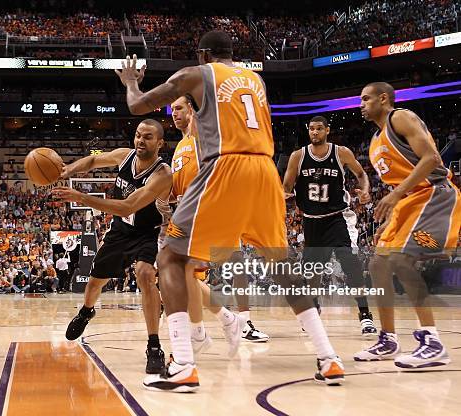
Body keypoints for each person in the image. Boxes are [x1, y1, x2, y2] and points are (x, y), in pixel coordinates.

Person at [116, 30, 344, 392]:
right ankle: (328, 357)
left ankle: (185, 363)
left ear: (203, 53)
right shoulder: (255, 79)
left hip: (226, 167)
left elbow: (138, 105)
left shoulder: (196, 74)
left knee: (170, 260)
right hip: (265, 171)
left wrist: (130, 82)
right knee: (281, 265)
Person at [53, 119, 172, 375]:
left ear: (160, 143)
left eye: (148, 137)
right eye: (139, 135)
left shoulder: (163, 174)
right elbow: (94, 160)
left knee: (145, 275)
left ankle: (154, 346)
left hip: (149, 232)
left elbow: (129, 205)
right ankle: (86, 312)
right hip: (121, 230)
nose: (140, 140)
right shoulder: (124, 156)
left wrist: (82, 197)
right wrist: (69, 169)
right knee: (95, 282)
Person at [354, 82, 461, 368]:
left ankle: (432, 341)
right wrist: (392, 218)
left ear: (383, 98)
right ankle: (387, 339)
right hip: (408, 204)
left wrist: (396, 195)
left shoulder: (399, 117)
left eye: (366, 99)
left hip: (434, 194)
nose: (361, 104)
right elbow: (398, 183)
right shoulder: (376, 141)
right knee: (378, 264)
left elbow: (431, 159)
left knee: (402, 260)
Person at [169, 95, 268, 359]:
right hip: (186, 214)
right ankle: (218, 324)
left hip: (210, 210)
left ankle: (226, 324)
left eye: (178, 108)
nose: (173, 113)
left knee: (222, 266)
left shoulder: (204, 136)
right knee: (185, 276)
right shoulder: (181, 146)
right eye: (171, 109)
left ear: (191, 109)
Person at [282, 115, 378, 337]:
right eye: (311, 129)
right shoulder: (298, 156)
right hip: (311, 220)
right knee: (312, 272)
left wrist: (365, 190)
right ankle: (314, 308)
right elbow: (286, 186)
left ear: (327, 130)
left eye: (319, 129)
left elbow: (362, 174)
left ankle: (365, 315)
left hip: (337, 218)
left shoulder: (340, 152)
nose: (314, 132)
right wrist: (284, 195)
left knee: (350, 263)